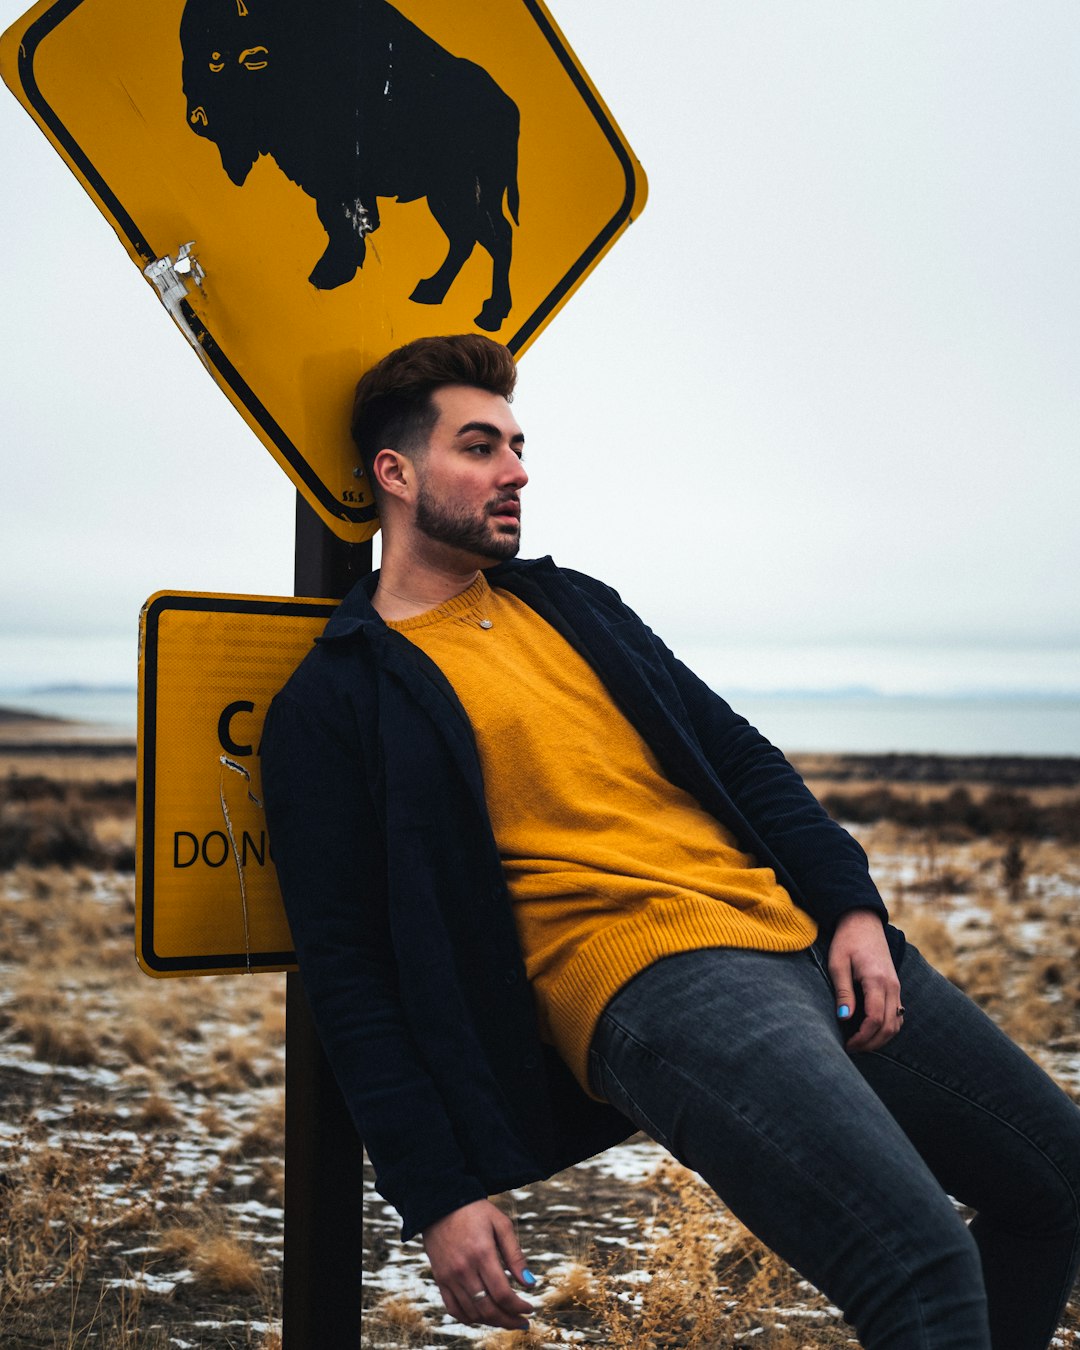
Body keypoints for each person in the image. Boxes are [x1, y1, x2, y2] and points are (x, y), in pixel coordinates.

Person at [261, 334, 1080, 1349]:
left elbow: (740, 757)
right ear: (394, 473)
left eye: (518, 445)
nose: (517, 470)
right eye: (480, 447)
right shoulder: (339, 699)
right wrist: (437, 1193)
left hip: (800, 939)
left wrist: (854, 908)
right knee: (920, 1271)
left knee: (1058, 1184)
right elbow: (350, 968)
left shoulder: (573, 608)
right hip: (658, 982)